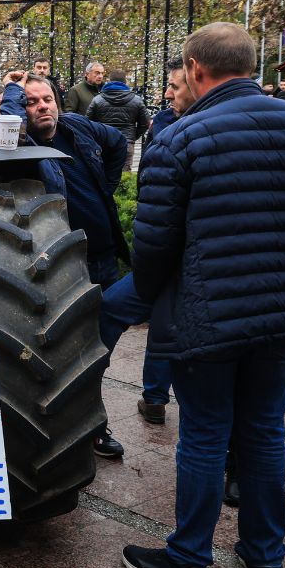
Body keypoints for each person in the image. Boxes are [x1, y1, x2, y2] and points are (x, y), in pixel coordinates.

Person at [121, 22, 285, 568]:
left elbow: (153, 244)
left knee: (204, 435)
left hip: (209, 316)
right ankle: (267, 564)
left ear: (196, 69)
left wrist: (144, 301)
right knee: (263, 430)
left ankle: (187, 563)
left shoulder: (180, 139)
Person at [0, 72, 131, 457]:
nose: (42, 107)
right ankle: (77, 429)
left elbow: (118, 143)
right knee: (69, 354)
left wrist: (108, 183)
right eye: (31, 102)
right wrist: (14, 91)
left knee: (97, 351)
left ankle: (92, 424)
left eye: (46, 99)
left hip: (101, 260)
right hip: (62, 267)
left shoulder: (78, 128)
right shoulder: (22, 146)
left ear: (58, 100)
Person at [98, 57, 194, 427]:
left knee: (161, 322)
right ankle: (103, 389)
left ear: (198, 78)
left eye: (175, 86)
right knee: (131, 312)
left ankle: (154, 397)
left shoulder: (189, 133)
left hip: (182, 258)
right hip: (167, 256)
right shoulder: (168, 121)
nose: (167, 93)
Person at [85, 69, 149, 171]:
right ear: (125, 81)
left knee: (103, 174)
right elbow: (145, 123)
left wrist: (98, 136)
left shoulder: (97, 100)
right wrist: (132, 137)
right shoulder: (136, 100)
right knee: (123, 177)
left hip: (103, 143)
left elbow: (88, 123)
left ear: (109, 81)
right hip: (126, 143)